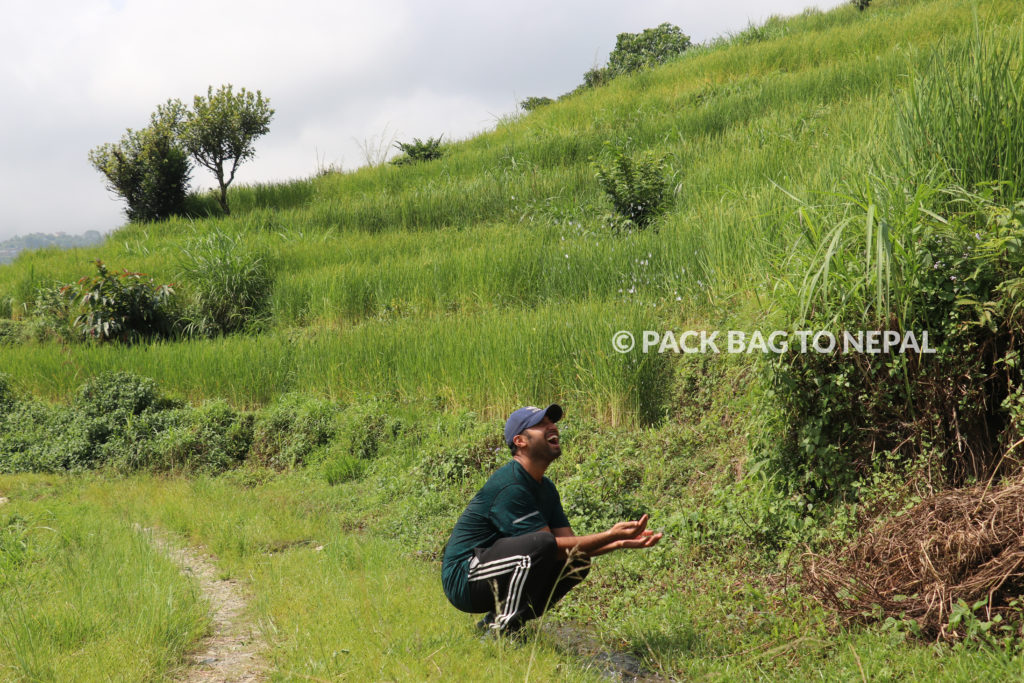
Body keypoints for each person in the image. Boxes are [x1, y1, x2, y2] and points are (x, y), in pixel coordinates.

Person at [441, 404, 663, 635]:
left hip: (492, 569)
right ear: (520, 441)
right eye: (541, 424)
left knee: (578, 561)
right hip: (464, 577)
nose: (552, 426)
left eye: (552, 421)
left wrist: (618, 543)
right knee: (542, 545)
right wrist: (610, 535)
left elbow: (568, 547)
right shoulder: (510, 486)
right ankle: (502, 630)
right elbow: (546, 547)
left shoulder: (545, 488)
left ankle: (499, 621)